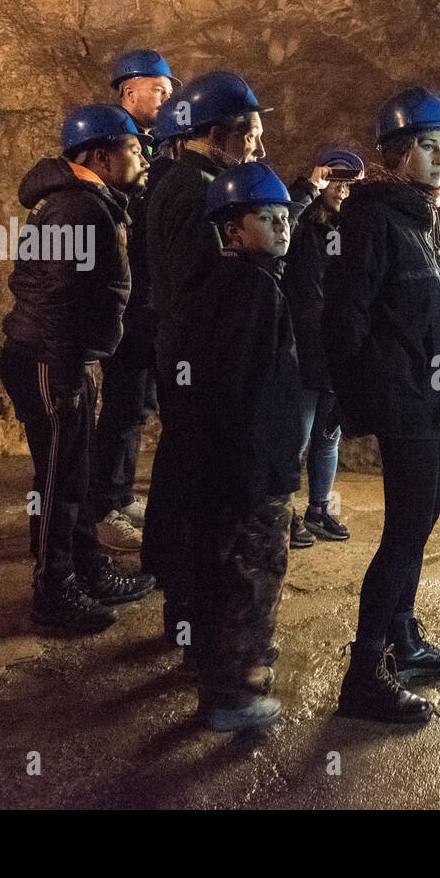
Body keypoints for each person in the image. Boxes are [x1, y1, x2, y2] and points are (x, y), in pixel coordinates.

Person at [323, 86, 440, 724]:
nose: (439, 159)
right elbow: (346, 317)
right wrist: (356, 400)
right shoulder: (375, 218)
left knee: (421, 524)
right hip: (408, 401)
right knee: (405, 532)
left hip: (432, 400)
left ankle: (402, 635)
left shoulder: (419, 219)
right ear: (398, 155)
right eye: (426, 148)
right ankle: (365, 672)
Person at [0, 104, 156, 634]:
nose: (141, 158)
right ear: (102, 156)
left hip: (61, 359)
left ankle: (84, 567)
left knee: (75, 474)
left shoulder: (87, 203)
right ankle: (54, 593)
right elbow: (62, 300)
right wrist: (67, 375)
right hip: (50, 361)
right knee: (60, 480)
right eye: (133, 149)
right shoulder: (76, 210)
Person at [176, 161, 303, 730]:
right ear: (232, 231)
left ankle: (221, 663)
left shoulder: (225, 286)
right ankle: (231, 692)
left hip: (232, 467)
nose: (282, 227)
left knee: (226, 571)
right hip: (254, 472)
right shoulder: (253, 291)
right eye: (266, 218)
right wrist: (262, 473)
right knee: (252, 575)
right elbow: (247, 393)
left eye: (285, 217)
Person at [89, 49, 181, 551]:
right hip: (129, 300)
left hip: (145, 299)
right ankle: (104, 508)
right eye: (160, 90)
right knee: (124, 404)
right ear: (130, 91)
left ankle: (119, 496)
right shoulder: (113, 141)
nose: (168, 99)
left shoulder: (149, 143)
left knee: (135, 405)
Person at [282, 149, 366, 547]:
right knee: (294, 438)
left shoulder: (346, 232)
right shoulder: (302, 228)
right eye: (336, 181)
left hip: (334, 350)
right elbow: (282, 220)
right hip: (302, 349)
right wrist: (306, 187)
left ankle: (318, 509)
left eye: (351, 184)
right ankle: (282, 514)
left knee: (327, 435)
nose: (343, 191)